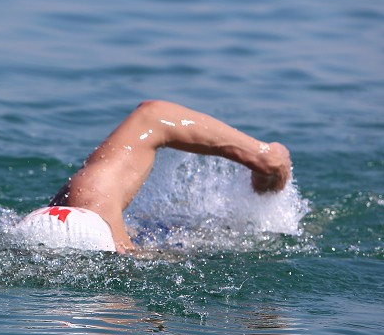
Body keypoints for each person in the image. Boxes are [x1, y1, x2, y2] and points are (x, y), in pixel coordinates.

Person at [18, 100, 292, 254]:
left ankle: (266, 158)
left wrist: (261, 156)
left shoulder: (90, 197)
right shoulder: (9, 245)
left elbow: (154, 116)